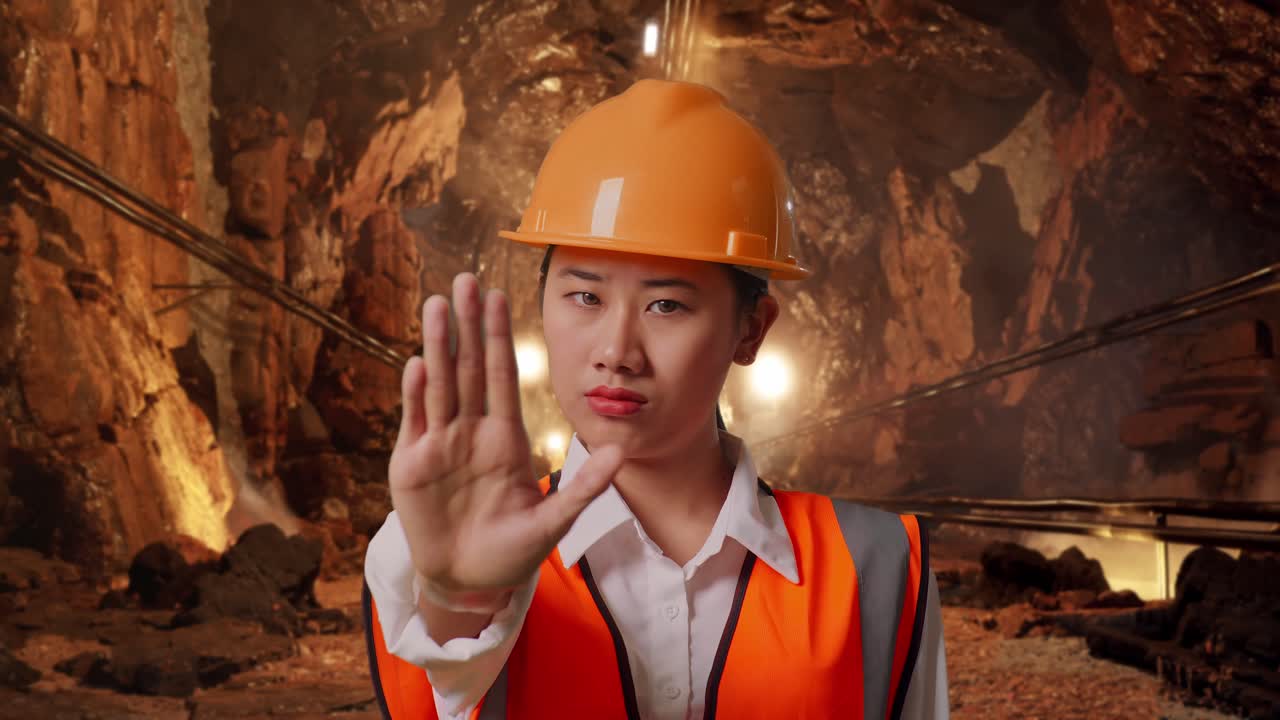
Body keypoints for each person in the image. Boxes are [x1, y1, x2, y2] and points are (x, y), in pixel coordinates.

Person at [363, 78, 948, 719]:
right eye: (585, 296)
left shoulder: (878, 567)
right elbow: (442, 673)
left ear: (750, 329)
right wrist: (460, 599)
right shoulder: (440, 550)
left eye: (666, 304)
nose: (617, 350)